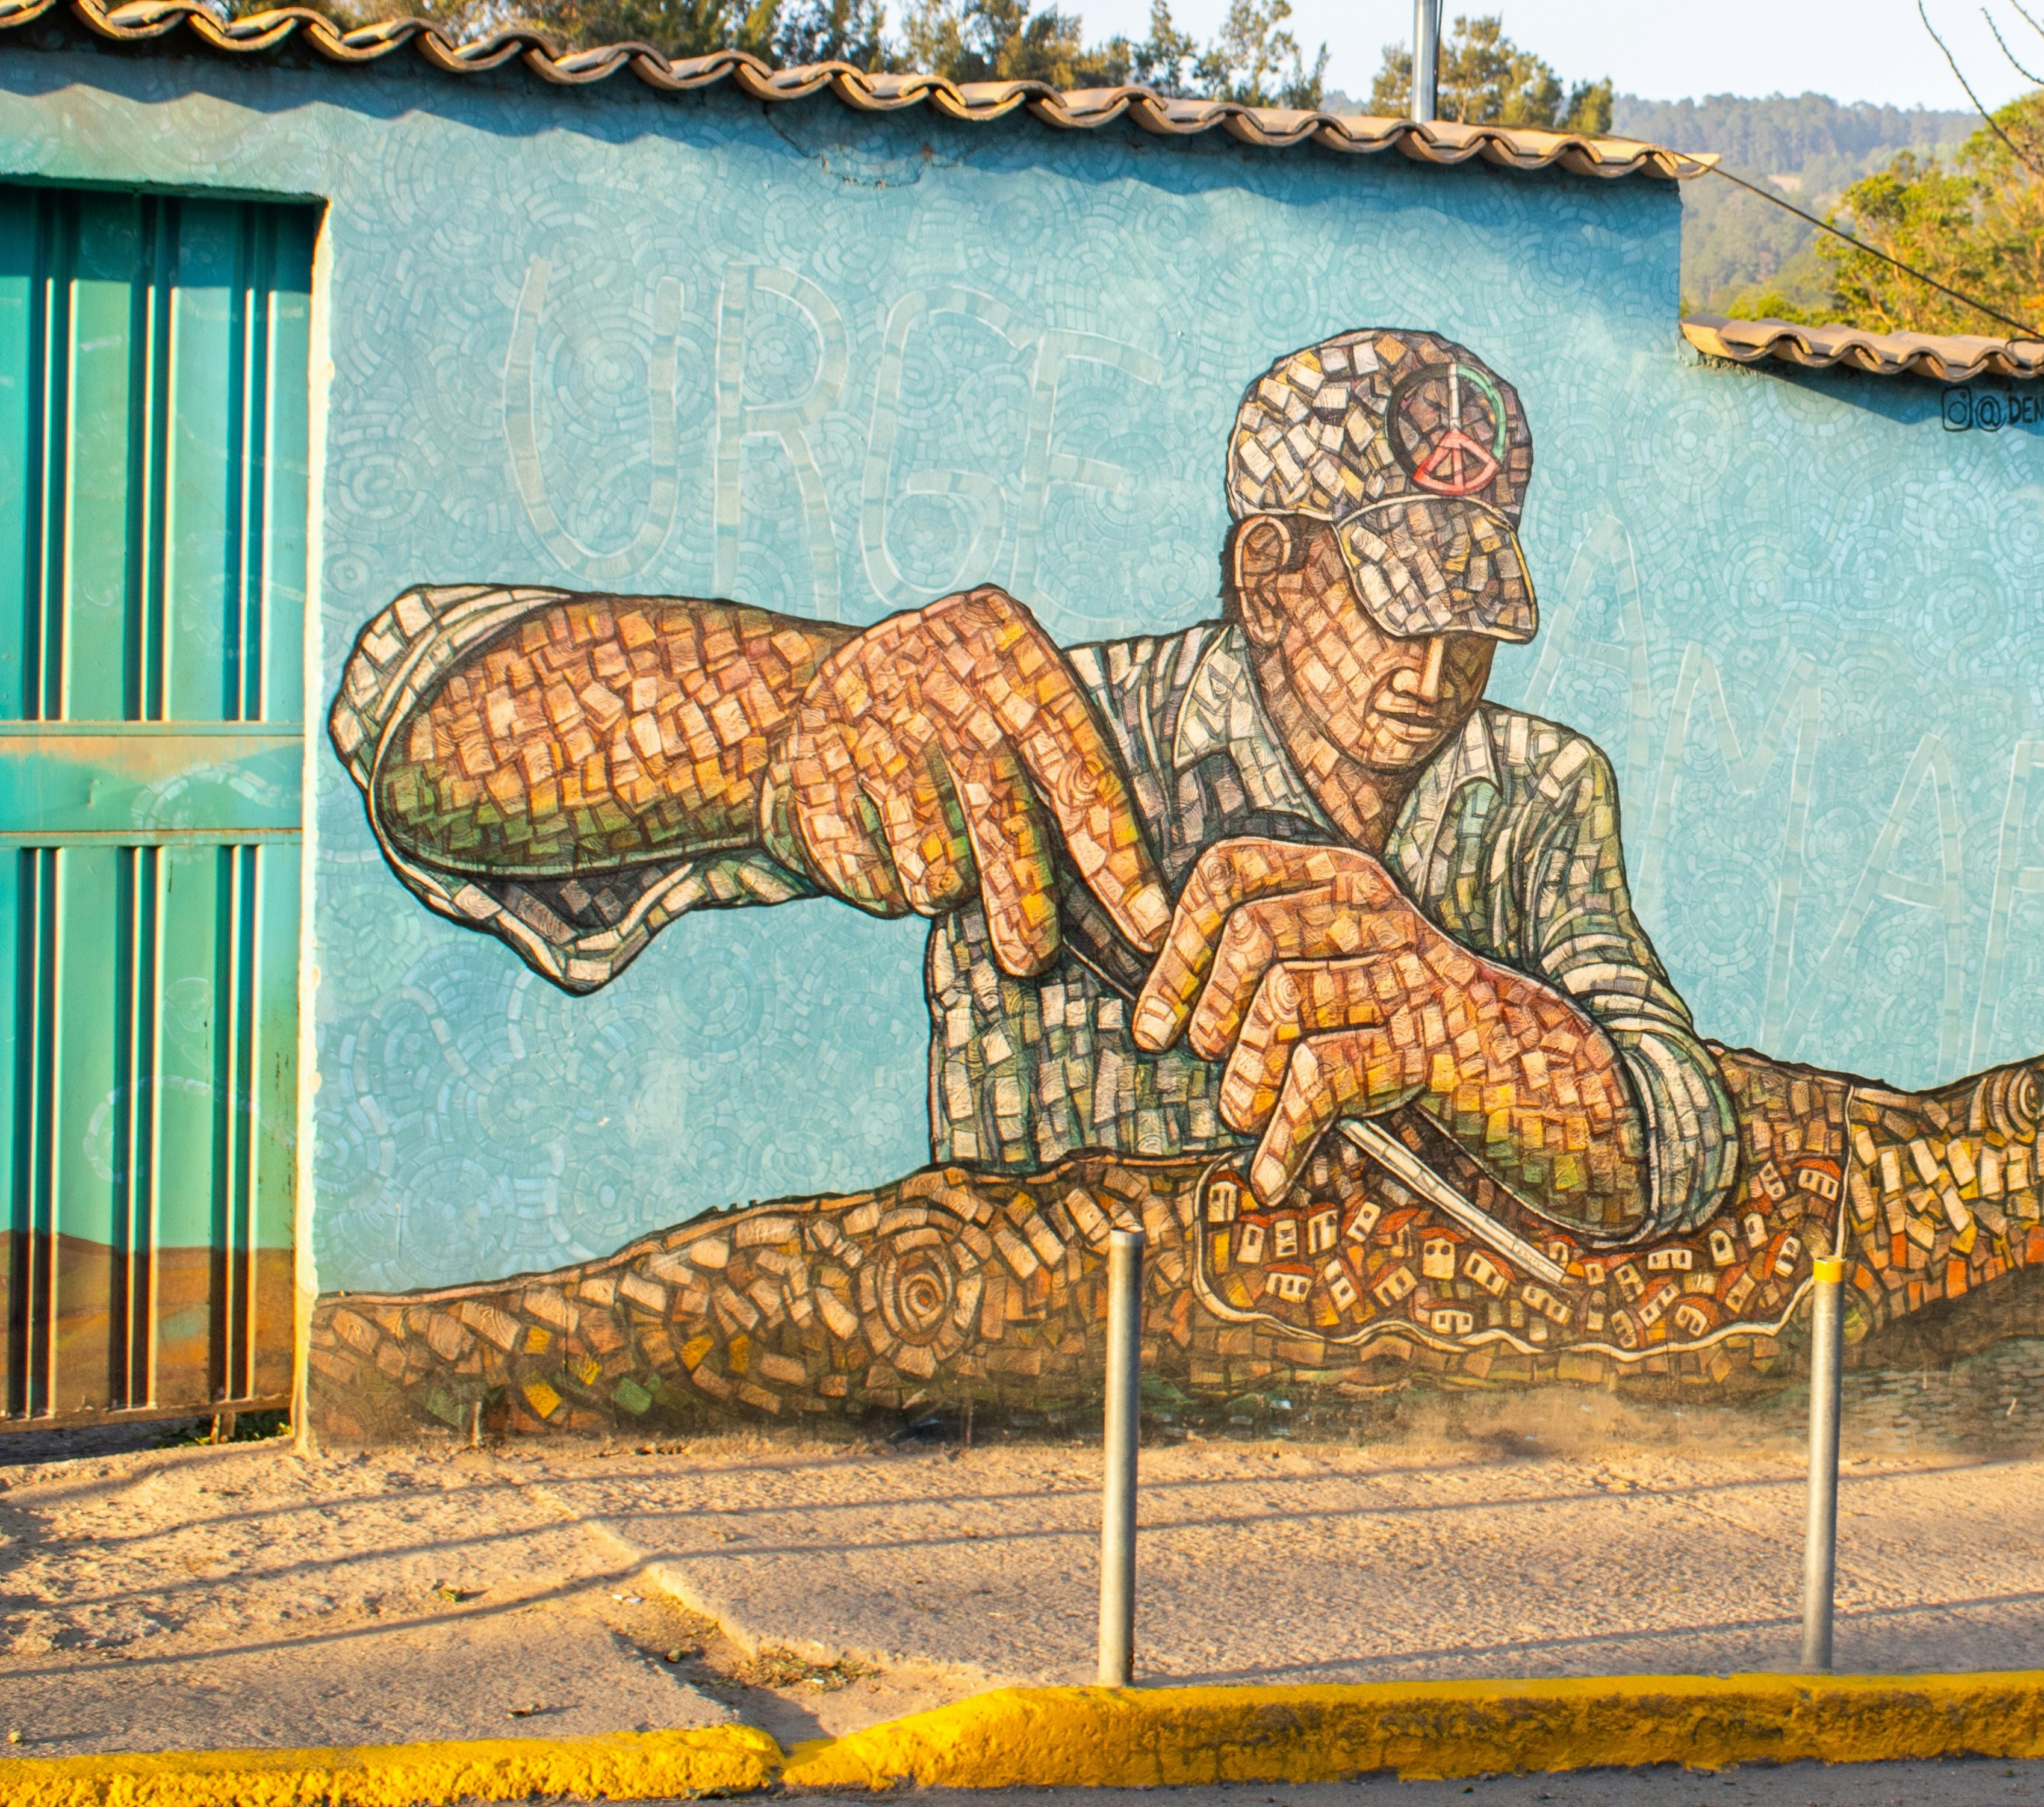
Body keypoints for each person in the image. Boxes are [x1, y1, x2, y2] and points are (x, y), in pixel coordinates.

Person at [327, 329, 1739, 1244]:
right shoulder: (1065, 725)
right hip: (1035, 1465)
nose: (1443, 662)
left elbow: (1682, 1135)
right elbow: (415, 717)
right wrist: (795, 712)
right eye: (1396, 601)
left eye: (1476, 610)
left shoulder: (1540, 788)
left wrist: (1465, 1019)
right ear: (1269, 573)